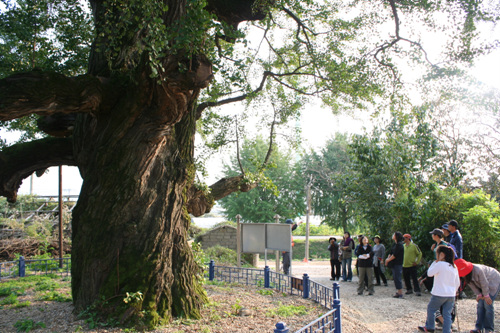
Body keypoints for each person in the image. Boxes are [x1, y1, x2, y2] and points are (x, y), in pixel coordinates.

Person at [418, 245, 460, 333]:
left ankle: (430, 327)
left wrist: (434, 263)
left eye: (437, 253)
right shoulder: (454, 267)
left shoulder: (439, 264)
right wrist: (455, 291)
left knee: (431, 308)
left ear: (441, 255)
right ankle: (447, 331)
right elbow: (457, 282)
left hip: (439, 293)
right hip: (451, 294)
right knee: (447, 314)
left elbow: (429, 273)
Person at [455, 258, 500, 333]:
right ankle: (478, 328)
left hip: (493, 281)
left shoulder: (478, 270)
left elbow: (484, 283)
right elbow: (472, 285)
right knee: (480, 305)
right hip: (483, 286)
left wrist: (486, 296)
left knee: (488, 304)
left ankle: (489, 329)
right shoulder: (466, 275)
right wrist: (479, 294)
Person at [385, 231, 405, 298]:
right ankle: (398, 292)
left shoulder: (399, 245)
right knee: (395, 277)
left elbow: (395, 255)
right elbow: (391, 253)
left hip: (398, 263)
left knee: (397, 277)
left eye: (394, 234)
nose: (393, 235)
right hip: (393, 263)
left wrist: (388, 260)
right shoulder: (395, 244)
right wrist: (388, 257)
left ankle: (400, 292)